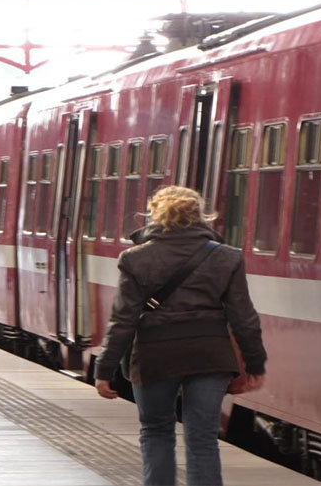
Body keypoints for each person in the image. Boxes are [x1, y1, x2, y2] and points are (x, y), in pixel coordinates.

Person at [94, 186, 267, 486]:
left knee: (156, 431)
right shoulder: (227, 257)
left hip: (154, 357)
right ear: (201, 215)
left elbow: (123, 319)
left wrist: (104, 370)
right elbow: (244, 317)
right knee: (202, 438)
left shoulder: (134, 258)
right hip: (209, 357)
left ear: (156, 215)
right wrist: (255, 365)